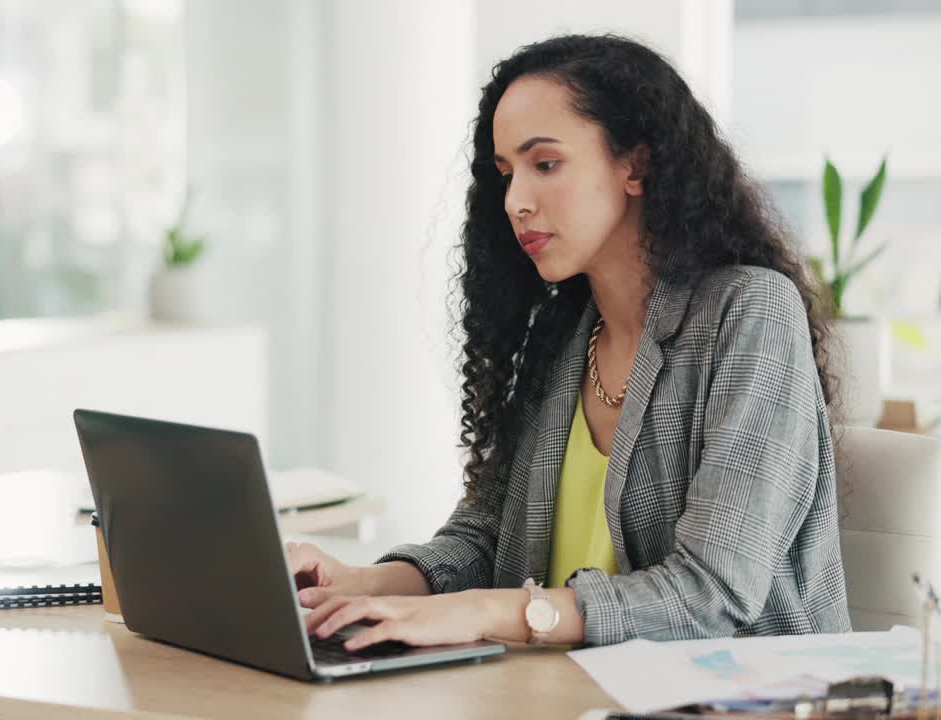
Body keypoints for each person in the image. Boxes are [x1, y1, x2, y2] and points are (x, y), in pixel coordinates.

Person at [288, 34, 851, 652]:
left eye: (545, 164)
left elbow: (712, 592)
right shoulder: (560, 334)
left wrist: (489, 613)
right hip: (556, 691)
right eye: (506, 174)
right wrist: (362, 583)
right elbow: (485, 537)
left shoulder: (749, 312)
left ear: (634, 165)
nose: (516, 202)